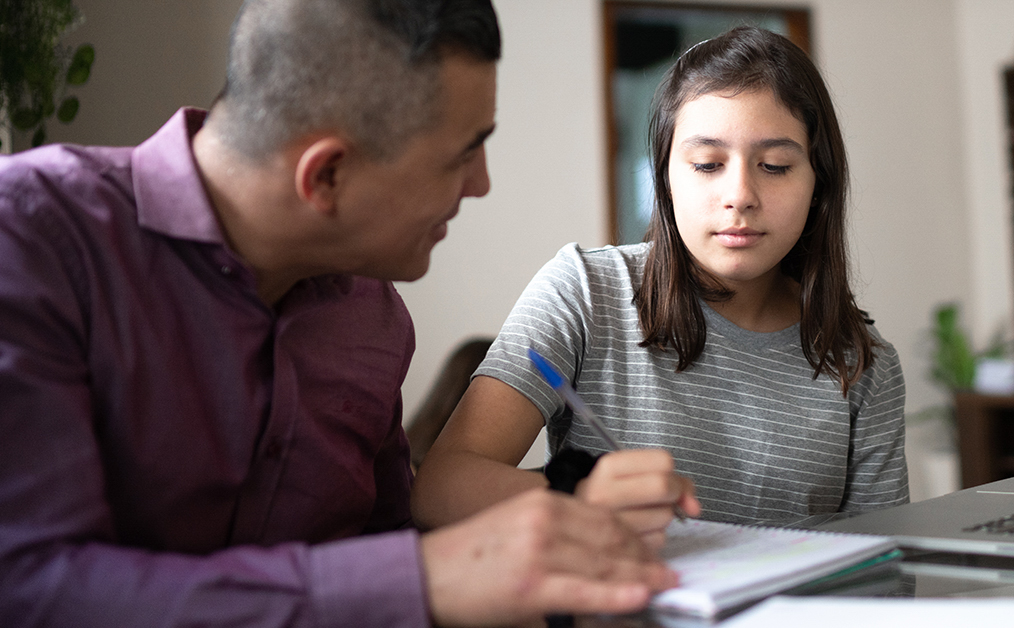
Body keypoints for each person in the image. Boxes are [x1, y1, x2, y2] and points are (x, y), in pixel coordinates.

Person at [0, 1, 696, 626]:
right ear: (326, 175)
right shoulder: (30, 239)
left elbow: (389, 542)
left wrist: (554, 541)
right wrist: (425, 580)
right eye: (462, 156)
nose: (481, 184)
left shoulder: (373, 319)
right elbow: (32, 588)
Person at [413, 26, 909, 532]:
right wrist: (577, 494)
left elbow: (886, 571)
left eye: (776, 166)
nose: (739, 194)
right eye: (707, 164)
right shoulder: (584, 290)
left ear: (818, 184)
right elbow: (440, 488)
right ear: (666, 178)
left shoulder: (864, 363)